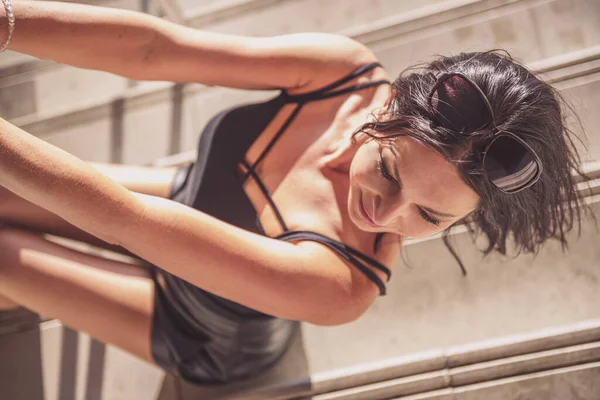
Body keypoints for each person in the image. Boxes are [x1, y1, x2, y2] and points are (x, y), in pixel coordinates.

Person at [0, 0, 587, 385]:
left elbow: (125, 219)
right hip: (180, 203)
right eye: (387, 169)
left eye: (430, 216)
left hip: (196, 327)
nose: (386, 214)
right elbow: (155, 51)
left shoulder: (341, 287)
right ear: (387, 108)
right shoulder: (341, 74)